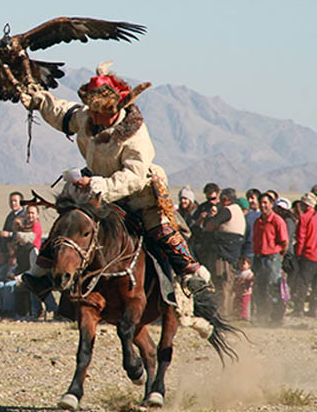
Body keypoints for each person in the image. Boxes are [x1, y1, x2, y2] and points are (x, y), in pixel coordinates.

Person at [19, 60, 211, 295]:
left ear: (112, 111)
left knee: (159, 230)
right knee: (70, 222)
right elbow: (62, 113)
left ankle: (190, 273)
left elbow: (134, 176)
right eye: (90, 109)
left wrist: (98, 184)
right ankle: (42, 273)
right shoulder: (88, 117)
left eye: (96, 111)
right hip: (98, 188)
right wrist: (39, 100)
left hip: (139, 195)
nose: (91, 115)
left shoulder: (135, 136)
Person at [202, 188, 246, 314]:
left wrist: (210, 218)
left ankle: (222, 313)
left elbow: (210, 226)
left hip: (223, 254)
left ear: (225, 199)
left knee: (221, 283)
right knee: (227, 284)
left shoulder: (227, 211)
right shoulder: (237, 210)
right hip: (232, 252)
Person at [252, 193, 289, 325]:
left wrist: (278, 255)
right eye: (261, 203)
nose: (263, 206)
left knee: (274, 288)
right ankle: (262, 316)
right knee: (260, 288)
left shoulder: (277, 221)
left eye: (265, 203)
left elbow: (284, 241)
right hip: (258, 258)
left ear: (271, 204)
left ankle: (277, 318)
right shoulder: (258, 221)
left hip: (272, 258)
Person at [293, 192, 317, 317]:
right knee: (315, 285)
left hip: (308, 255)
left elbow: (301, 237)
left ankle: (299, 309)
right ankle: (313, 310)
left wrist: (298, 253)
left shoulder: (304, 218)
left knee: (302, 283)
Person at [0, 191, 25, 257]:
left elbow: (24, 234)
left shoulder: (24, 216)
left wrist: (9, 234)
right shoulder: (10, 215)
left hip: (17, 253)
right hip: (6, 252)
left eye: (15, 201)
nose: (13, 203)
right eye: (11, 201)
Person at [232, 256, 253, 321]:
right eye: (240, 263)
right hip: (238, 293)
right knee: (237, 304)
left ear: (249, 265)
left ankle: (245, 317)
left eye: (243, 263)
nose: (241, 265)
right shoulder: (239, 273)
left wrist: (248, 282)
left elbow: (251, 281)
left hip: (246, 293)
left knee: (245, 305)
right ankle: (238, 315)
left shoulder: (249, 273)